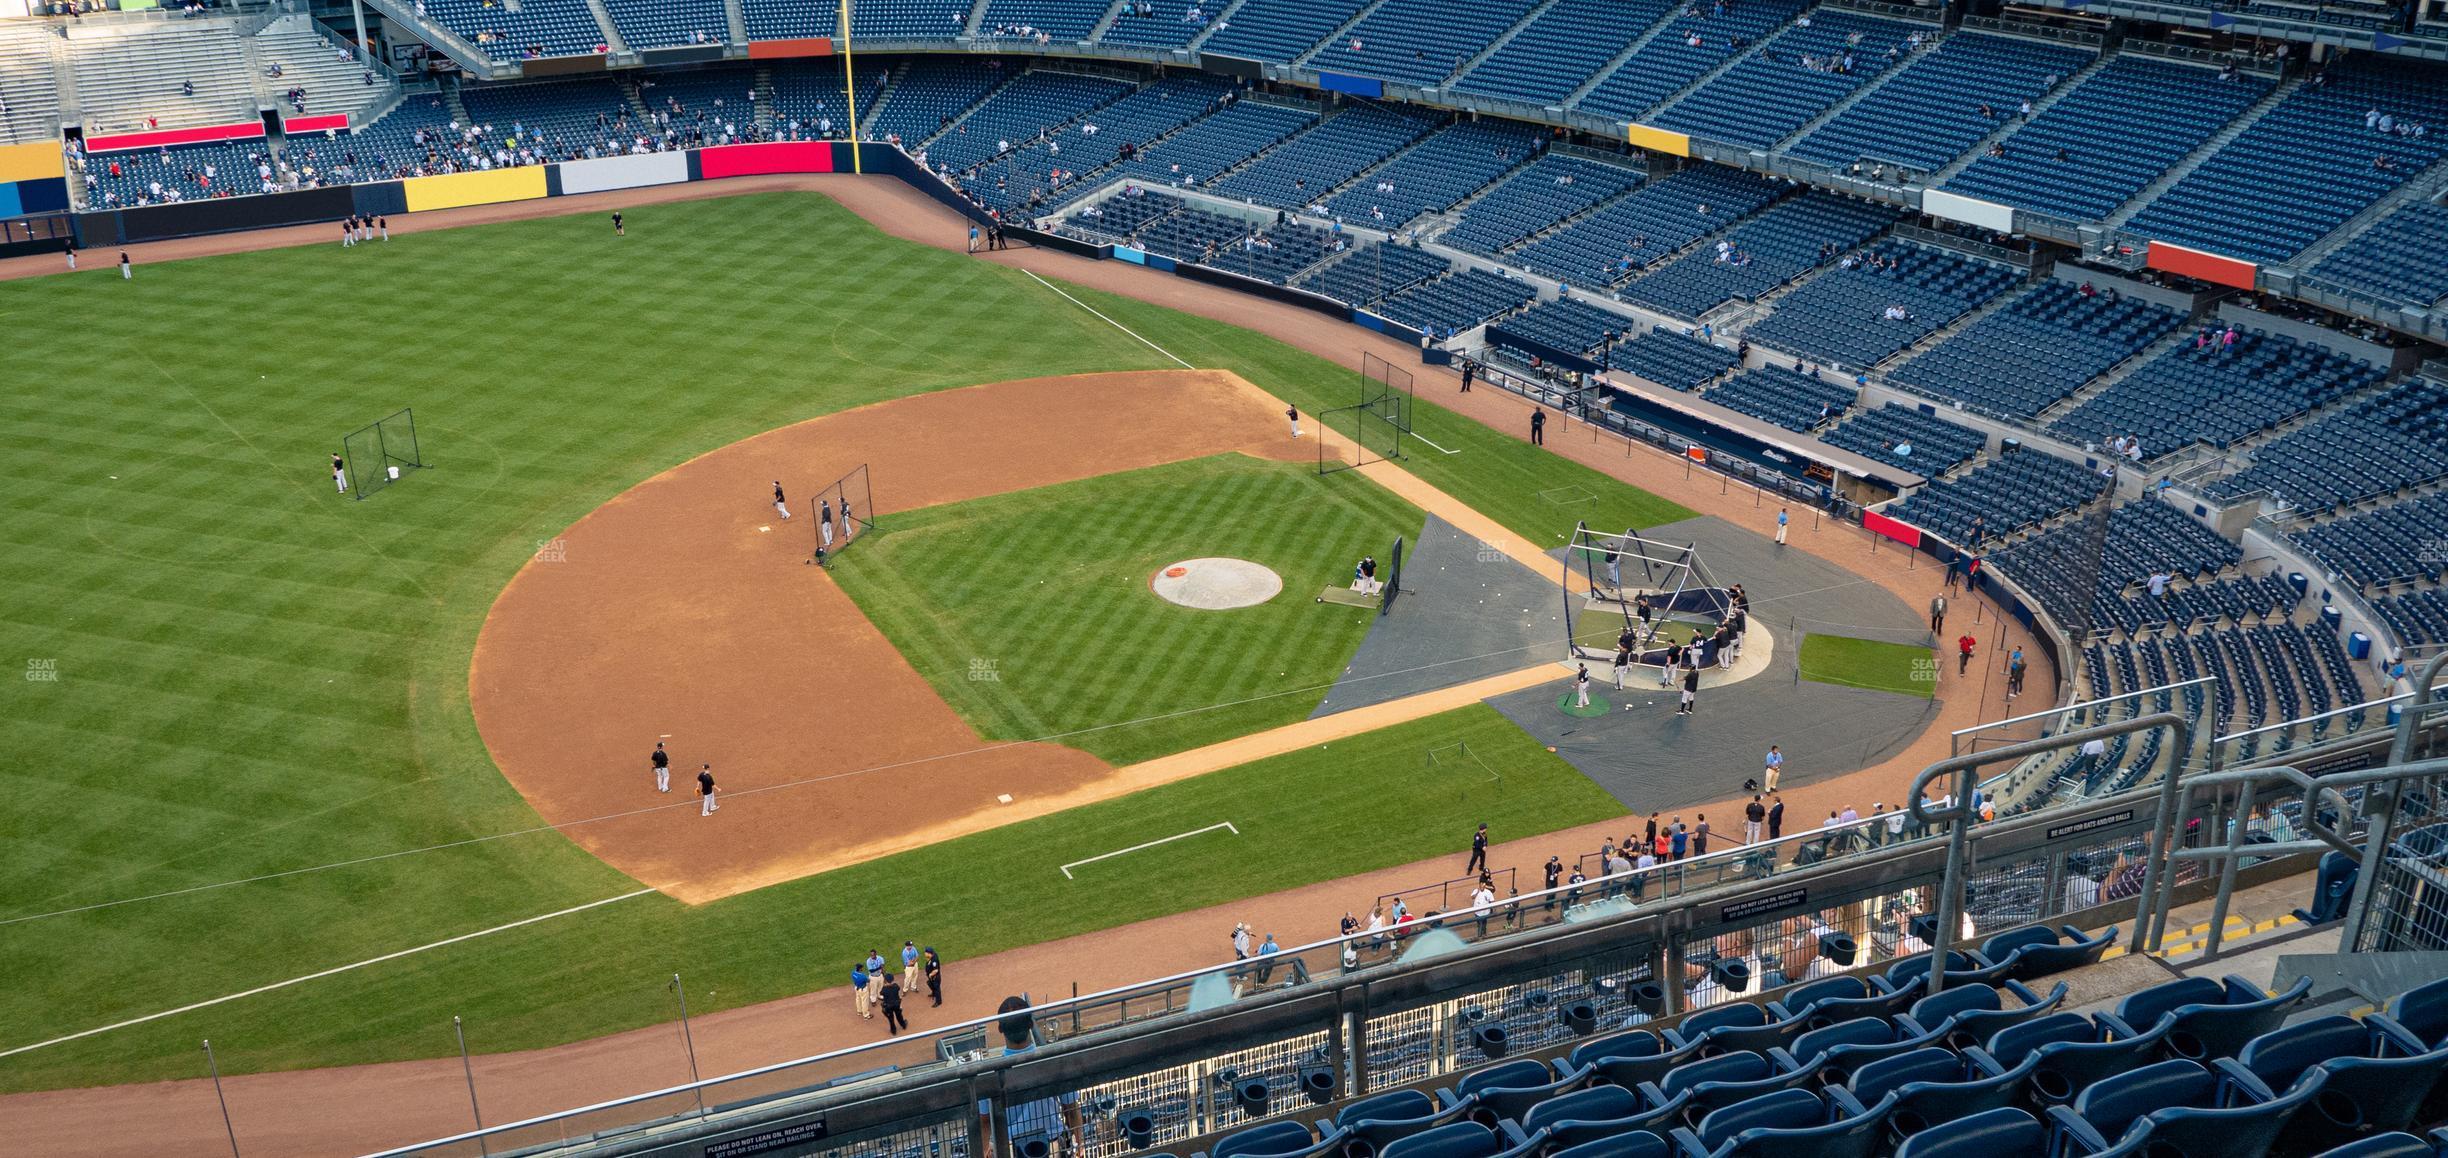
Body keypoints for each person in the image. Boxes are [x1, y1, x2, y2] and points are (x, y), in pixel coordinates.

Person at [978, 998, 1082, 1158]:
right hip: (1052, 1147)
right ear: (1031, 1025)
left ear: (1000, 1029)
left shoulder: (989, 1073)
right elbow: (1072, 1111)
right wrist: (1079, 1147)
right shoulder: (1054, 1062)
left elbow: (984, 1122)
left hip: (1010, 1150)